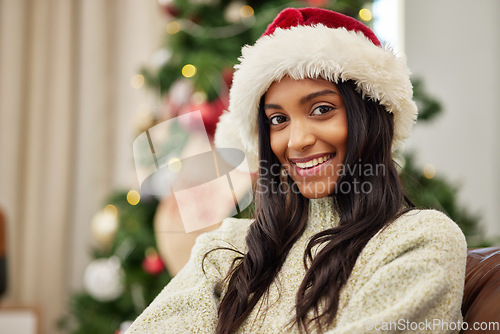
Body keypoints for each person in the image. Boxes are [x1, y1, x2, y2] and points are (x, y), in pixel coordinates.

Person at [126, 7, 467, 334]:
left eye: (322, 109)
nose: (297, 141)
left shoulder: (420, 239)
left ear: (372, 117)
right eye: (278, 120)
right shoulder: (224, 250)